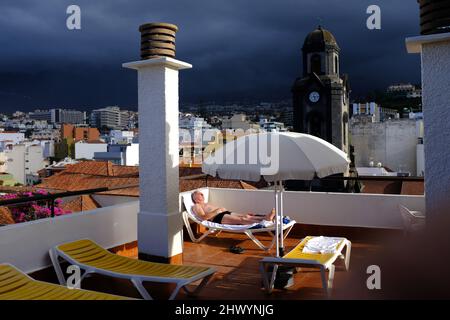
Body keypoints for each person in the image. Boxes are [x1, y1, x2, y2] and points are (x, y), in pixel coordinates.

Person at [191, 190, 276, 225]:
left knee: (247, 216)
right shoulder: (196, 206)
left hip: (224, 213)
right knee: (243, 220)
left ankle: (266, 218)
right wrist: (217, 211)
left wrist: (221, 210)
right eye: (199, 194)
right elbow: (203, 217)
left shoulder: (206, 203)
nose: (202, 194)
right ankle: (263, 222)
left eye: (201, 193)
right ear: (195, 198)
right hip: (218, 217)